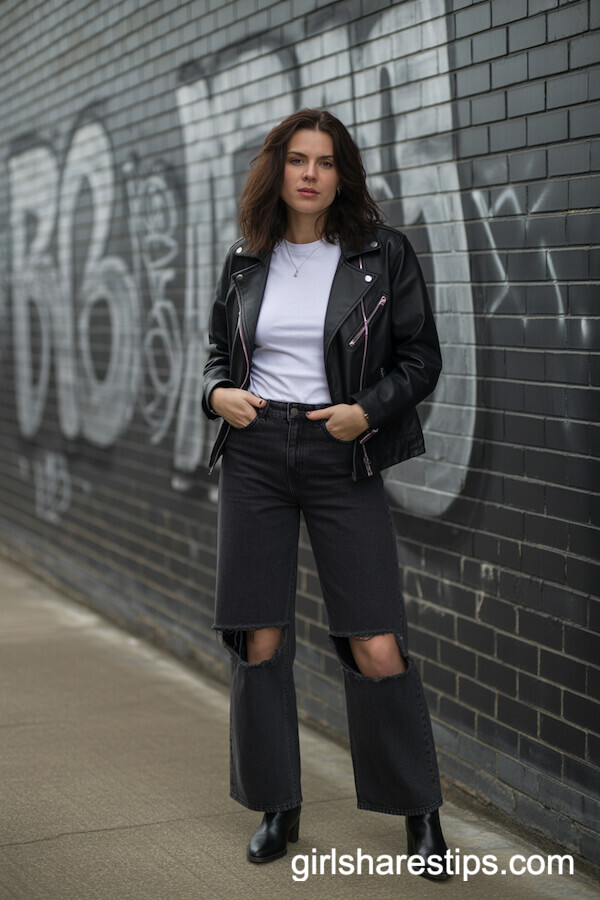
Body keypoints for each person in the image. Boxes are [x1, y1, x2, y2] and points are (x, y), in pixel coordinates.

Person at [202, 108, 451, 881]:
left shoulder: (381, 255)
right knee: (259, 634)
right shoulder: (248, 257)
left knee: (375, 640)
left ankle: (420, 813)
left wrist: (365, 413)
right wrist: (218, 394)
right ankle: (280, 805)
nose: (311, 173)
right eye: (298, 159)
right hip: (255, 450)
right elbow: (218, 350)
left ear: (343, 175)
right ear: (276, 170)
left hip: (342, 450)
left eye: (326, 161)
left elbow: (420, 359)